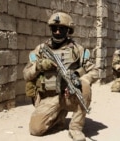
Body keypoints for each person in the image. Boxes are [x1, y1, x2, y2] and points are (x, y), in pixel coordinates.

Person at [23, 12, 98, 141]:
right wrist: (39, 66)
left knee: (84, 85)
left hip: (69, 95)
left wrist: (78, 77)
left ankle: (75, 128)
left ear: (68, 30)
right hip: (49, 96)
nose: (57, 32)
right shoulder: (41, 50)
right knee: (36, 130)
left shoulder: (78, 50)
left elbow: (95, 71)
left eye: (61, 29)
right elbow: (26, 74)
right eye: (54, 29)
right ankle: (58, 117)